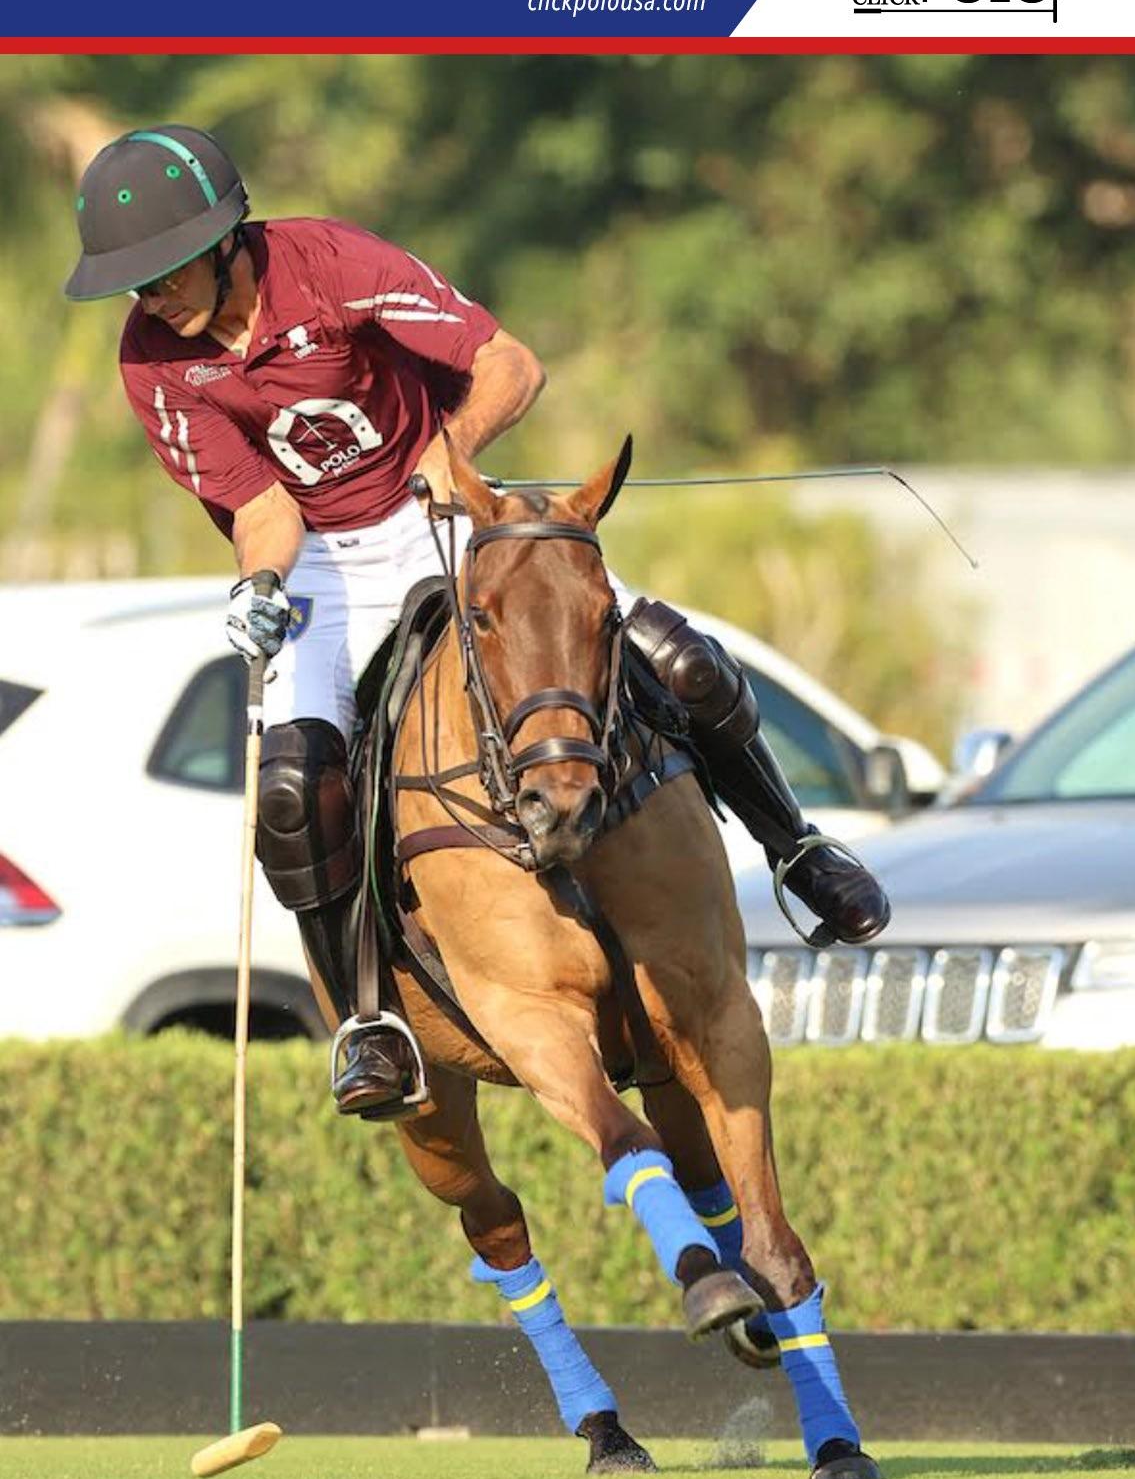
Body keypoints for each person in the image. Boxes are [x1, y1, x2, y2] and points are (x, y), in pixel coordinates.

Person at [65, 123, 890, 1118]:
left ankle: (797, 848)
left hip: (449, 515)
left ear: (224, 242)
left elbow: (511, 365)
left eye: (162, 274)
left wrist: (448, 450)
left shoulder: (332, 264)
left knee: (677, 660)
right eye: (134, 285)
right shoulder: (152, 360)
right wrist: (259, 588)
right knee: (291, 789)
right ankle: (369, 1018)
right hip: (320, 561)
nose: (150, 299)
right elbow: (261, 507)